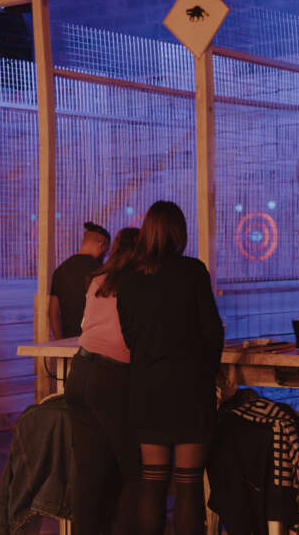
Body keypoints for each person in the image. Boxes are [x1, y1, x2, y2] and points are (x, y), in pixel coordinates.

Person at [117, 201, 224, 535]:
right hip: (188, 388)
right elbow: (212, 330)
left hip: (147, 388)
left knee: (153, 481)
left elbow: (130, 335)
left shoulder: (130, 278)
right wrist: (206, 373)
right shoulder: (192, 272)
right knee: (189, 483)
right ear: (179, 232)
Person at [63, 227, 141, 535]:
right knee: (136, 471)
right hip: (112, 377)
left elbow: (86, 325)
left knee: (88, 475)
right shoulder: (136, 284)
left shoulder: (98, 281)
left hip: (80, 372)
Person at [49, 221, 110, 340]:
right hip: (95, 343)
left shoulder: (60, 271)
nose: (106, 254)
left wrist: (61, 343)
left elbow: (52, 313)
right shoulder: (101, 272)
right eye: (106, 249)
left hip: (68, 342)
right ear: (101, 245)